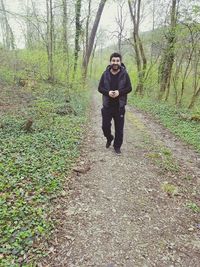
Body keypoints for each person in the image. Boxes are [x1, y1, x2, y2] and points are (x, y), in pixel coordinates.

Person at [98, 52, 132, 154]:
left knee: (119, 129)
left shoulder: (125, 74)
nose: (115, 62)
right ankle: (109, 137)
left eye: (117, 61)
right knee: (105, 127)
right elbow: (100, 88)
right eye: (113, 60)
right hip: (107, 106)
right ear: (110, 62)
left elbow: (129, 88)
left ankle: (117, 147)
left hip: (119, 106)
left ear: (120, 62)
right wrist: (108, 93)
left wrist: (119, 92)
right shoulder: (105, 74)